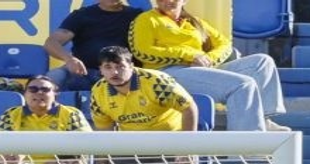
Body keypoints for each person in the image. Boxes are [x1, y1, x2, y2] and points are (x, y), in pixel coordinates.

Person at [130, 0, 288, 131]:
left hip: (200, 68)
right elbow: (142, 50)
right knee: (242, 85)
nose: (168, 1)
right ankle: (246, 151)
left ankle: (264, 119)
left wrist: (208, 59)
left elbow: (224, 44)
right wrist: (187, 55)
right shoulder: (146, 19)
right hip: (167, 73)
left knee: (261, 62)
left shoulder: (194, 21)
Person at [90, 45, 197, 133]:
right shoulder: (98, 92)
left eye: (120, 66)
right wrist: (104, 158)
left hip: (171, 140)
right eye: (108, 67)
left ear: (131, 66)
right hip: (131, 147)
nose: (115, 72)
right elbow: (104, 127)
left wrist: (188, 149)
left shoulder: (156, 82)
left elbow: (188, 107)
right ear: (101, 70)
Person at [0, 75, 91, 164]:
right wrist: (8, 159)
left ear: (55, 94)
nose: (39, 93)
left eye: (45, 89)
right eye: (33, 89)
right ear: (25, 94)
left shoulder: (71, 113)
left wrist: (59, 162)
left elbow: (85, 144)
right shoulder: (11, 114)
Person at [45, 0, 144, 92]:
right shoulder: (81, 15)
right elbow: (51, 42)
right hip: (83, 72)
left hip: (121, 72)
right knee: (53, 77)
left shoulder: (137, 16)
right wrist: (69, 59)